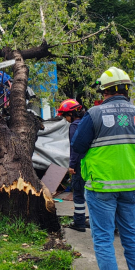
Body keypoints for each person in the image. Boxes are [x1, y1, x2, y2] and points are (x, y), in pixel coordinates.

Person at [71, 67, 135, 270]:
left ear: (104, 90)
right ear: (127, 88)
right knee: (130, 235)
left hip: (102, 185)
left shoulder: (94, 114)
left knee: (104, 238)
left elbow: (78, 145)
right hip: (132, 184)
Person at [57, 99, 88, 232]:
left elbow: (75, 148)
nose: (65, 119)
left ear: (71, 113)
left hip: (80, 166)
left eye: (65, 115)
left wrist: (72, 165)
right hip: (93, 165)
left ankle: (79, 222)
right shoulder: (87, 122)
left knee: (79, 194)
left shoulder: (74, 126)